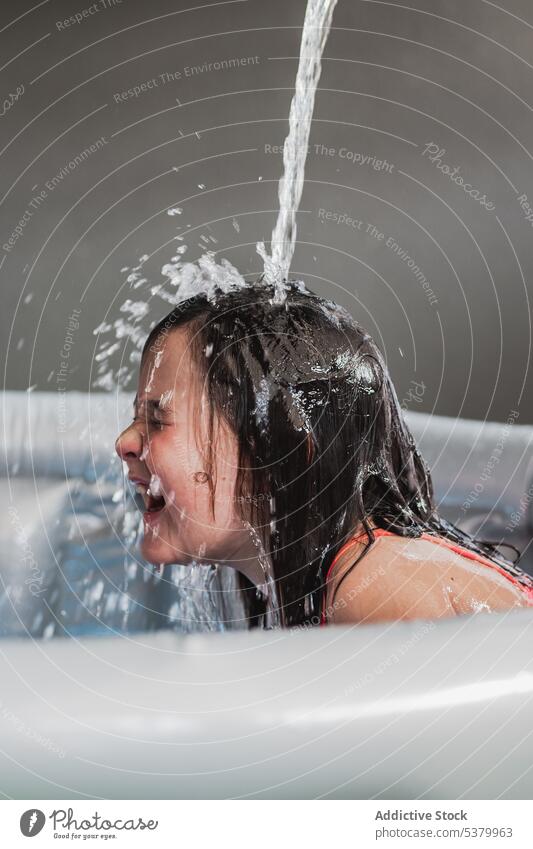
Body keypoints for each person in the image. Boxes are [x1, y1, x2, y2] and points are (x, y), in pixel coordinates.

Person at [114, 277, 533, 629]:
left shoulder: (375, 588)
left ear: (277, 449)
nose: (125, 442)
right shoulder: (325, 583)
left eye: (157, 419)